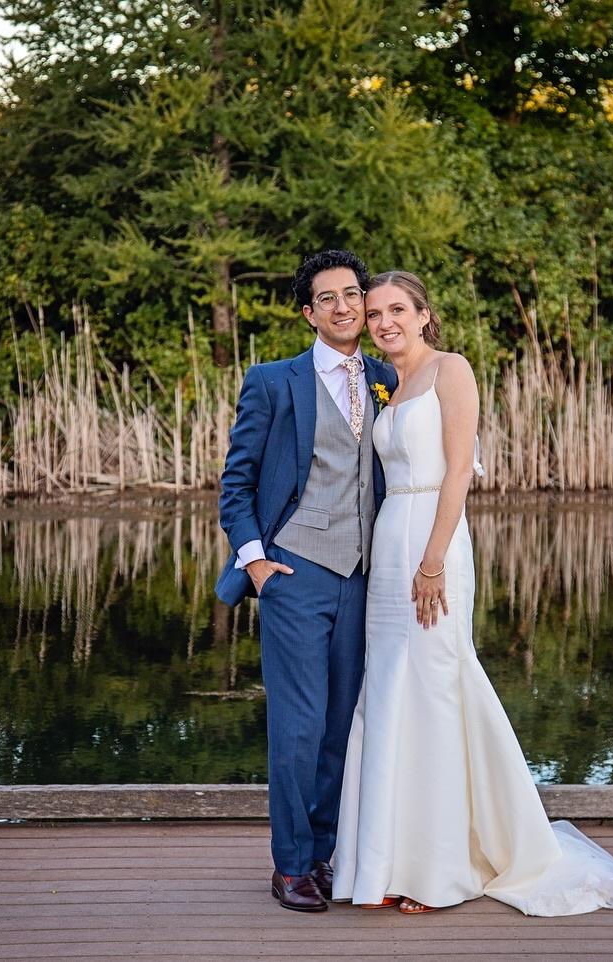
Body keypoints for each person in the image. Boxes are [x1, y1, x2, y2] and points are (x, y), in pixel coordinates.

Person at [331, 270, 613, 916]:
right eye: (374, 313)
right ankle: (387, 863)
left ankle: (441, 870)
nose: (383, 322)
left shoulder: (450, 371)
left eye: (397, 309)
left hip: (435, 540)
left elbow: (459, 471)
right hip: (390, 541)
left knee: (433, 691)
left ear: (426, 315)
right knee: (391, 694)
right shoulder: (388, 386)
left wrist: (432, 561)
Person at [216, 250, 398, 912]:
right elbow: (235, 485)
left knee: (339, 725)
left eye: (353, 294)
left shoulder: (386, 377)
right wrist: (257, 563)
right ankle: (290, 865)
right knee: (297, 724)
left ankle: (323, 854)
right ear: (308, 313)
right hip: (294, 573)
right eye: (329, 298)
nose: (345, 306)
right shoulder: (272, 381)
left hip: (365, 579)